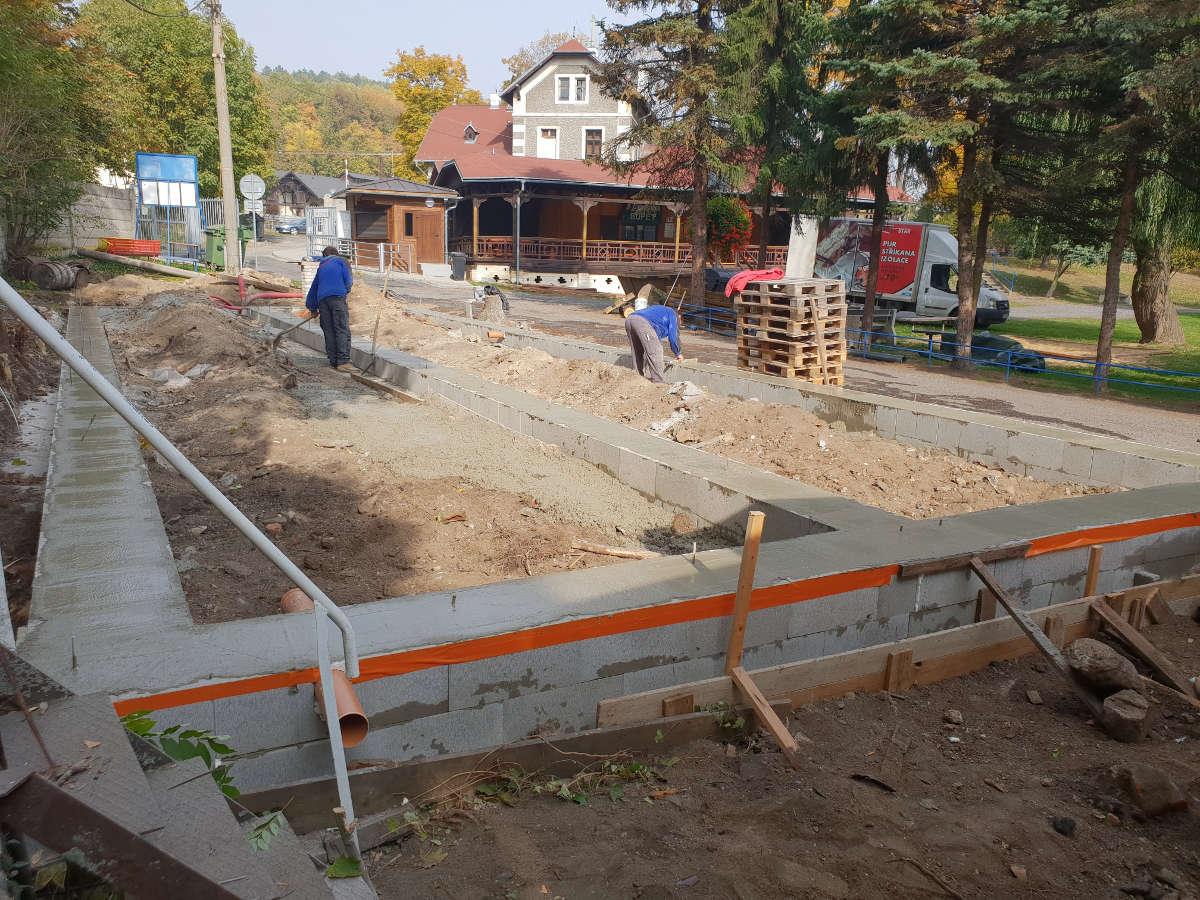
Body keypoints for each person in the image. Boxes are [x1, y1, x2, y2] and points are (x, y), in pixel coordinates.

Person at [305, 246, 353, 370]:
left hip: (323, 301)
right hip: (337, 298)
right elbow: (348, 281)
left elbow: (313, 288)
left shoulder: (321, 267)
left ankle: (334, 361)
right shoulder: (341, 261)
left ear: (325, 256)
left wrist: (313, 308)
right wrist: (345, 291)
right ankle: (343, 362)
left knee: (329, 330)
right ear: (336, 254)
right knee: (341, 329)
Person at [625, 303, 683, 383]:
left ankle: (637, 377)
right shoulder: (673, 315)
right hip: (643, 322)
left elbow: (654, 336)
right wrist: (678, 353)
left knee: (637, 351)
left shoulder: (661, 311)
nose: (679, 325)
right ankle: (658, 382)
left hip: (630, 319)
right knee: (656, 351)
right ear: (679, 317)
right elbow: (673, 337)